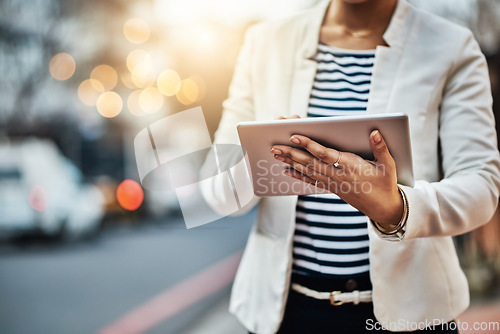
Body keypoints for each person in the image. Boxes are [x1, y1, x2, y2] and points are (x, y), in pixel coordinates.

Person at [200, 0, 500, 333]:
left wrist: (398, 208)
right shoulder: (266, 42)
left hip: (412, 313)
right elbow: (217, 189)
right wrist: (262, 157)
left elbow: (481, 185)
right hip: (287, 314)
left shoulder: (451, 45)